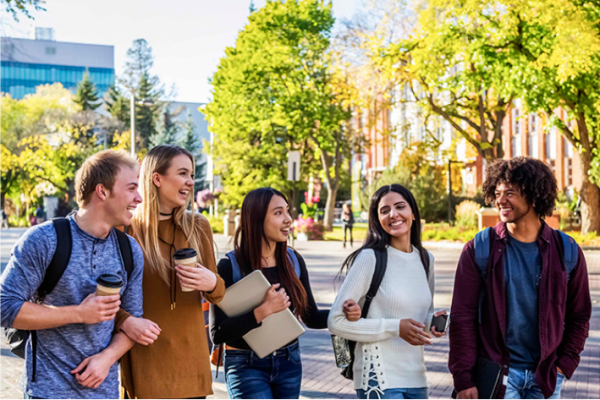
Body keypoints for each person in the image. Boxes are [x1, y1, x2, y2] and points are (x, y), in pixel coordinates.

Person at [0, 150, 144, 399]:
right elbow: (4, 307)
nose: (139, 198)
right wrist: (79, 313)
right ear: (102, 191)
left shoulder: (130, 250)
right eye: (132, 188)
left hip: (104, 392)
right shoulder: (43, 240)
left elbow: (133, 321)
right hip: (46, 392)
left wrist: (106, 358)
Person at [449, 157, 591, 400]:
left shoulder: (566, 250)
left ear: (534, 195)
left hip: (545, 377)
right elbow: (463, 319)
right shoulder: (479, 250)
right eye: (497, 192)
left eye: (510, 193)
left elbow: (579, 315)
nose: (500, 200)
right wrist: (463, 378)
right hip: (498, 376)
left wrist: (564, 365)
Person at [209, 187, 361, 399]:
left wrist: (343, 313)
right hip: (245, 365)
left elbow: (310, 317)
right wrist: (263, 311)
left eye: (287, 211)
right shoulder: (229, 265)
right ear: (256, 219)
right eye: (278, 213)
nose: (288, 219)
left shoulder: (293, 261)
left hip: (289, 362)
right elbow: (218, 334)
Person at [116, 145, 225, 400]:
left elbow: (217, 296)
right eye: (183, 173)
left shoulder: (198, 225)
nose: (190, 182)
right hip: (145, 360)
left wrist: (212, 283)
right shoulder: (126, 229)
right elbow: (107, 296)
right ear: (157, 178)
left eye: (192, 175)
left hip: (191, 362)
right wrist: (124, 321)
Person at [329, 184, 447, 400]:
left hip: (416, 376)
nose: (393, 214)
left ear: (412, 212)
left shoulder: (425, 259)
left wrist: (434, 324)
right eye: (384, 210)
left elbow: (423, 316)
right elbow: (336, 321)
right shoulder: (369, 258)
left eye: (400, 206)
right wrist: (395, 328)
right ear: (377, 219)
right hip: (378, 376)